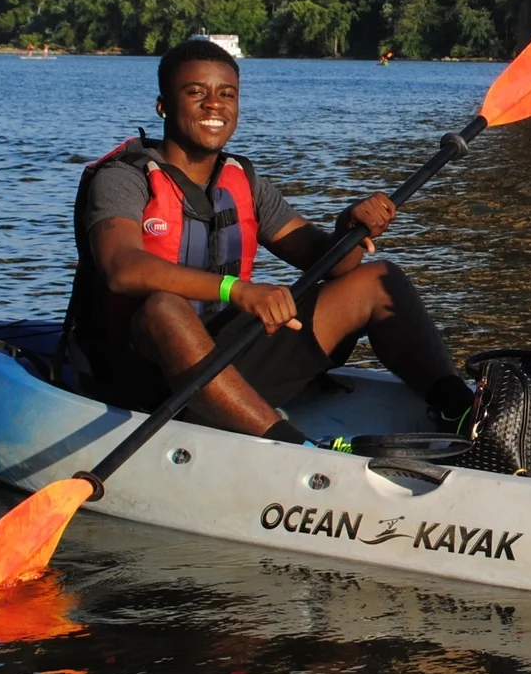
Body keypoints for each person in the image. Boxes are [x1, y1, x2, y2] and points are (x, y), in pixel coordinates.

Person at [60, 39, 475, 445]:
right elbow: (122, 268)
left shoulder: (244, 181)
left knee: (378, 280)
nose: (214, 105)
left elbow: (329, 263)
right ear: (163, 105)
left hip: (224, 362)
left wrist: (348, 228)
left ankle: (461, 411)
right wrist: (237, 290)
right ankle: (292, 446)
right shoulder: (123, 177)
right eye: (196, 92)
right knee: (164, 307)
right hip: (140, 375)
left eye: (227, 94)